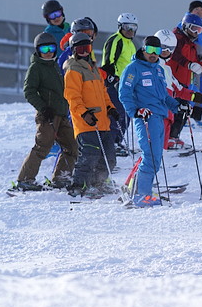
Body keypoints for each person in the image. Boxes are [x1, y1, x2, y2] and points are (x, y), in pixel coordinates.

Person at [119, 36, 186, 207]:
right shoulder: (133, 68)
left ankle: (139, 192)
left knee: (155, 158)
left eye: (157, 51)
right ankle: (142, 195)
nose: (154, 54)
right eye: (150, 50)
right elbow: (124, 94)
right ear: (143, 49)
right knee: (149, 156)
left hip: (159, 117)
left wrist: (178, 106)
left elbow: (163, 96)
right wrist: (135, 111)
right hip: (146, 118)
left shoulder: (158, 70)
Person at [14, 32, 78, 191]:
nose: (48, 51)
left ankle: (61, 178)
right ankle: (25, 179)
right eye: (44, 48)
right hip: (47, 115)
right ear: (38, 50)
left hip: (61, 114)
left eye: (51, 47)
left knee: (72, 145)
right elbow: (29, 91)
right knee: (43, 146)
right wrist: (43, 108)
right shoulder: (36, 67)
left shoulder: (54, 65)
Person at [64, 32, 119, 197]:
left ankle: (97, 183)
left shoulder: (94, 68)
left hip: (102, 122)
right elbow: (72, 97)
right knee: (90, 155)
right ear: (73, 50)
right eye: (79, 48)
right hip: (86, 123)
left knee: (109, 157)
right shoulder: (73, 69)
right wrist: (84, 113)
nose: (84, 51)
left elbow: (104, 93)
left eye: (86, 47)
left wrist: (110, 108)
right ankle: (78, 186)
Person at [166, 13, 202, 145]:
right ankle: (165, 138)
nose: (196, 33)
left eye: (199, 30)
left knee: (185, 109)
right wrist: (189, 64)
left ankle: (173, 137)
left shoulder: (191, 44)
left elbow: (197, 62)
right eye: (194, 29)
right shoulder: (177, 38)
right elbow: (175, 56)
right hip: (172, 81)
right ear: (185, 26)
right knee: (172, 110)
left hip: (185, 83)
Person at [102, 13, 138, 156]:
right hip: (115, 84)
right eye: (126, 27)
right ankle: (111, 143)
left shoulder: (131, 44)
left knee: (127, 113)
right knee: (118, 113)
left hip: (128, 84)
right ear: (120, 27)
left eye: (133, 28)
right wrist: (112, 78)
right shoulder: (116, 40)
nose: (130, 30)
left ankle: (117, 141)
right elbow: (108, 61)